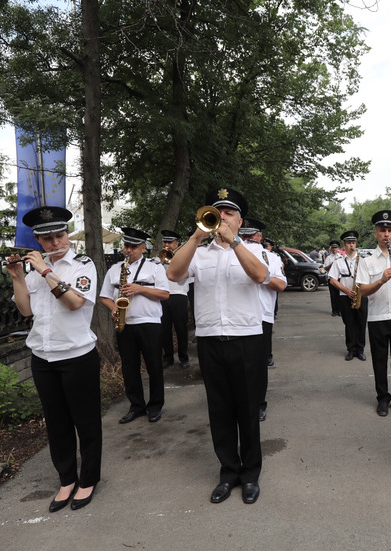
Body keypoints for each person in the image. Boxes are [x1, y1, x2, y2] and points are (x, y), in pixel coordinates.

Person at [166, 187, 268, 505]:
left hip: (247, 340)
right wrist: (196, 237)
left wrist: (234, 242)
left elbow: (261, 275)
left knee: (248, 410)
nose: (221, 217)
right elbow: (173, 273)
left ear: (240, 221)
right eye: (217, 212)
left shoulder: (254, 250)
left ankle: (250, 474)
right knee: (220, 411)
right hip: (211, 341)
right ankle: (228, 472)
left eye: (228, 213)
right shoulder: (199, 252)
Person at [6, 206, 101, 511]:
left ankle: (88, 479)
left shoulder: (83, 265)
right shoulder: (33, 269)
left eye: (60, 235)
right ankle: (66, 479)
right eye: (47, 239)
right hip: (43, 358)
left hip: (76, 355)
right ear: (38, 240)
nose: (55, 243)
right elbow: (26, 310)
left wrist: (47, 271)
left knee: (85, 421)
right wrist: (19, 278)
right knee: (57, 423)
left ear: (68, 234)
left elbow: (74, 303)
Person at [99, 227, 170, 424]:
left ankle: (155, 406)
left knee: (155, 366)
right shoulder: (115, 270)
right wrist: (113, 307)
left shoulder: (155, 268)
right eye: (126, 245)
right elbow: (104, 296)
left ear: (143, 247)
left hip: (150, 323)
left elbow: (165, 294)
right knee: (129, 368)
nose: (129, 250)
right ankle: (136, 406)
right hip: (125, 324)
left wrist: (140, 289)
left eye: (133, 246)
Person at [355, 210, 391, 417]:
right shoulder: (367, 261)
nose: (386, 234)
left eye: (389, 230)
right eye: (382, 230)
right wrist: (381, 280)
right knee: (379, 361)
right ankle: (382, 399)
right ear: (376, 233)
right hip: (377, 318)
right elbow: (362, 291)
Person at [239, 218, 286, 422]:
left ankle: (259, 404)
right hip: (237, 315)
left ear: (259, 237)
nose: (249, 239)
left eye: (252, 236)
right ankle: (241, 403)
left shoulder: (271, 258)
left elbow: (281, 285)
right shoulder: (230, 253)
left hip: (261, 315)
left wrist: (262, 276)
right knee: (238, 365)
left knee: (258, 365)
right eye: (245, 236)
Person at [329, 230, 369, 361]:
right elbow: (333, 280)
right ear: (344, 245)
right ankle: (351, 349)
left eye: (353, 242)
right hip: (345, 296)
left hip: (360, 295)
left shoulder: (363, 260)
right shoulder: (338, 261)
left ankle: (360, 349)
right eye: (349, 243)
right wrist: (346, 290)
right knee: (349, 323)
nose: (352, 245)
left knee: (361, 323)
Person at [159, 230, 191, 370]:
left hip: (179, 294)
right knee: (165, 329)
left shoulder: (183, 257)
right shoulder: (158, 259)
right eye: (165, 242)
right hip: (163, 295)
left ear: (176, 244)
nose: (167, 245)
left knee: (181, 328)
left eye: (170, 242)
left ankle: (184, 357)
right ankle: (168, 357)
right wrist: (161, 262)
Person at [322, 240, 343, 316]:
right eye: (333, 248)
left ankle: (340, 310)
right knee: (333, 295)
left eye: (336, 248)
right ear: (331, 248)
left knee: (339, 295)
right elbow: (325, 268)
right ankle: (334, 310)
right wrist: (331, 264)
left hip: (339, 278)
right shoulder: (328, 258)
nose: (334, 249)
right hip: (331, 278)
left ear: (338, 248)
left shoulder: (341, 257)